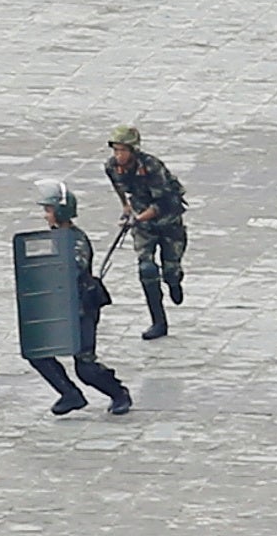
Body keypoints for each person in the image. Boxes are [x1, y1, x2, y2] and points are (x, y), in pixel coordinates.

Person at [25, 180, 132, 416]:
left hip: (81, 308)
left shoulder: (75, 241)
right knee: (38, 353)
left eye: (49, 210)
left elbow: (70, 271)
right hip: (57, 307)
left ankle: (118, 393)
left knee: (85, 366)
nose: (46, 216)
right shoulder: (53, 237)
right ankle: (70, 394)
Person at [103, 125, 187, 340]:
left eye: (123, 150)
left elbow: (164, 202)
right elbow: (120, 188)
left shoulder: (152, 167)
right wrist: (126, 208)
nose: (118, 155)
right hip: (143, 223)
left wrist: (137, 218)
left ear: (133, 150)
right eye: (116, 150)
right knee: (147, 269)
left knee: (170, 269)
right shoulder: (112, 167)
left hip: (168, 221)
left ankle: (174, 280)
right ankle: (158, 321)